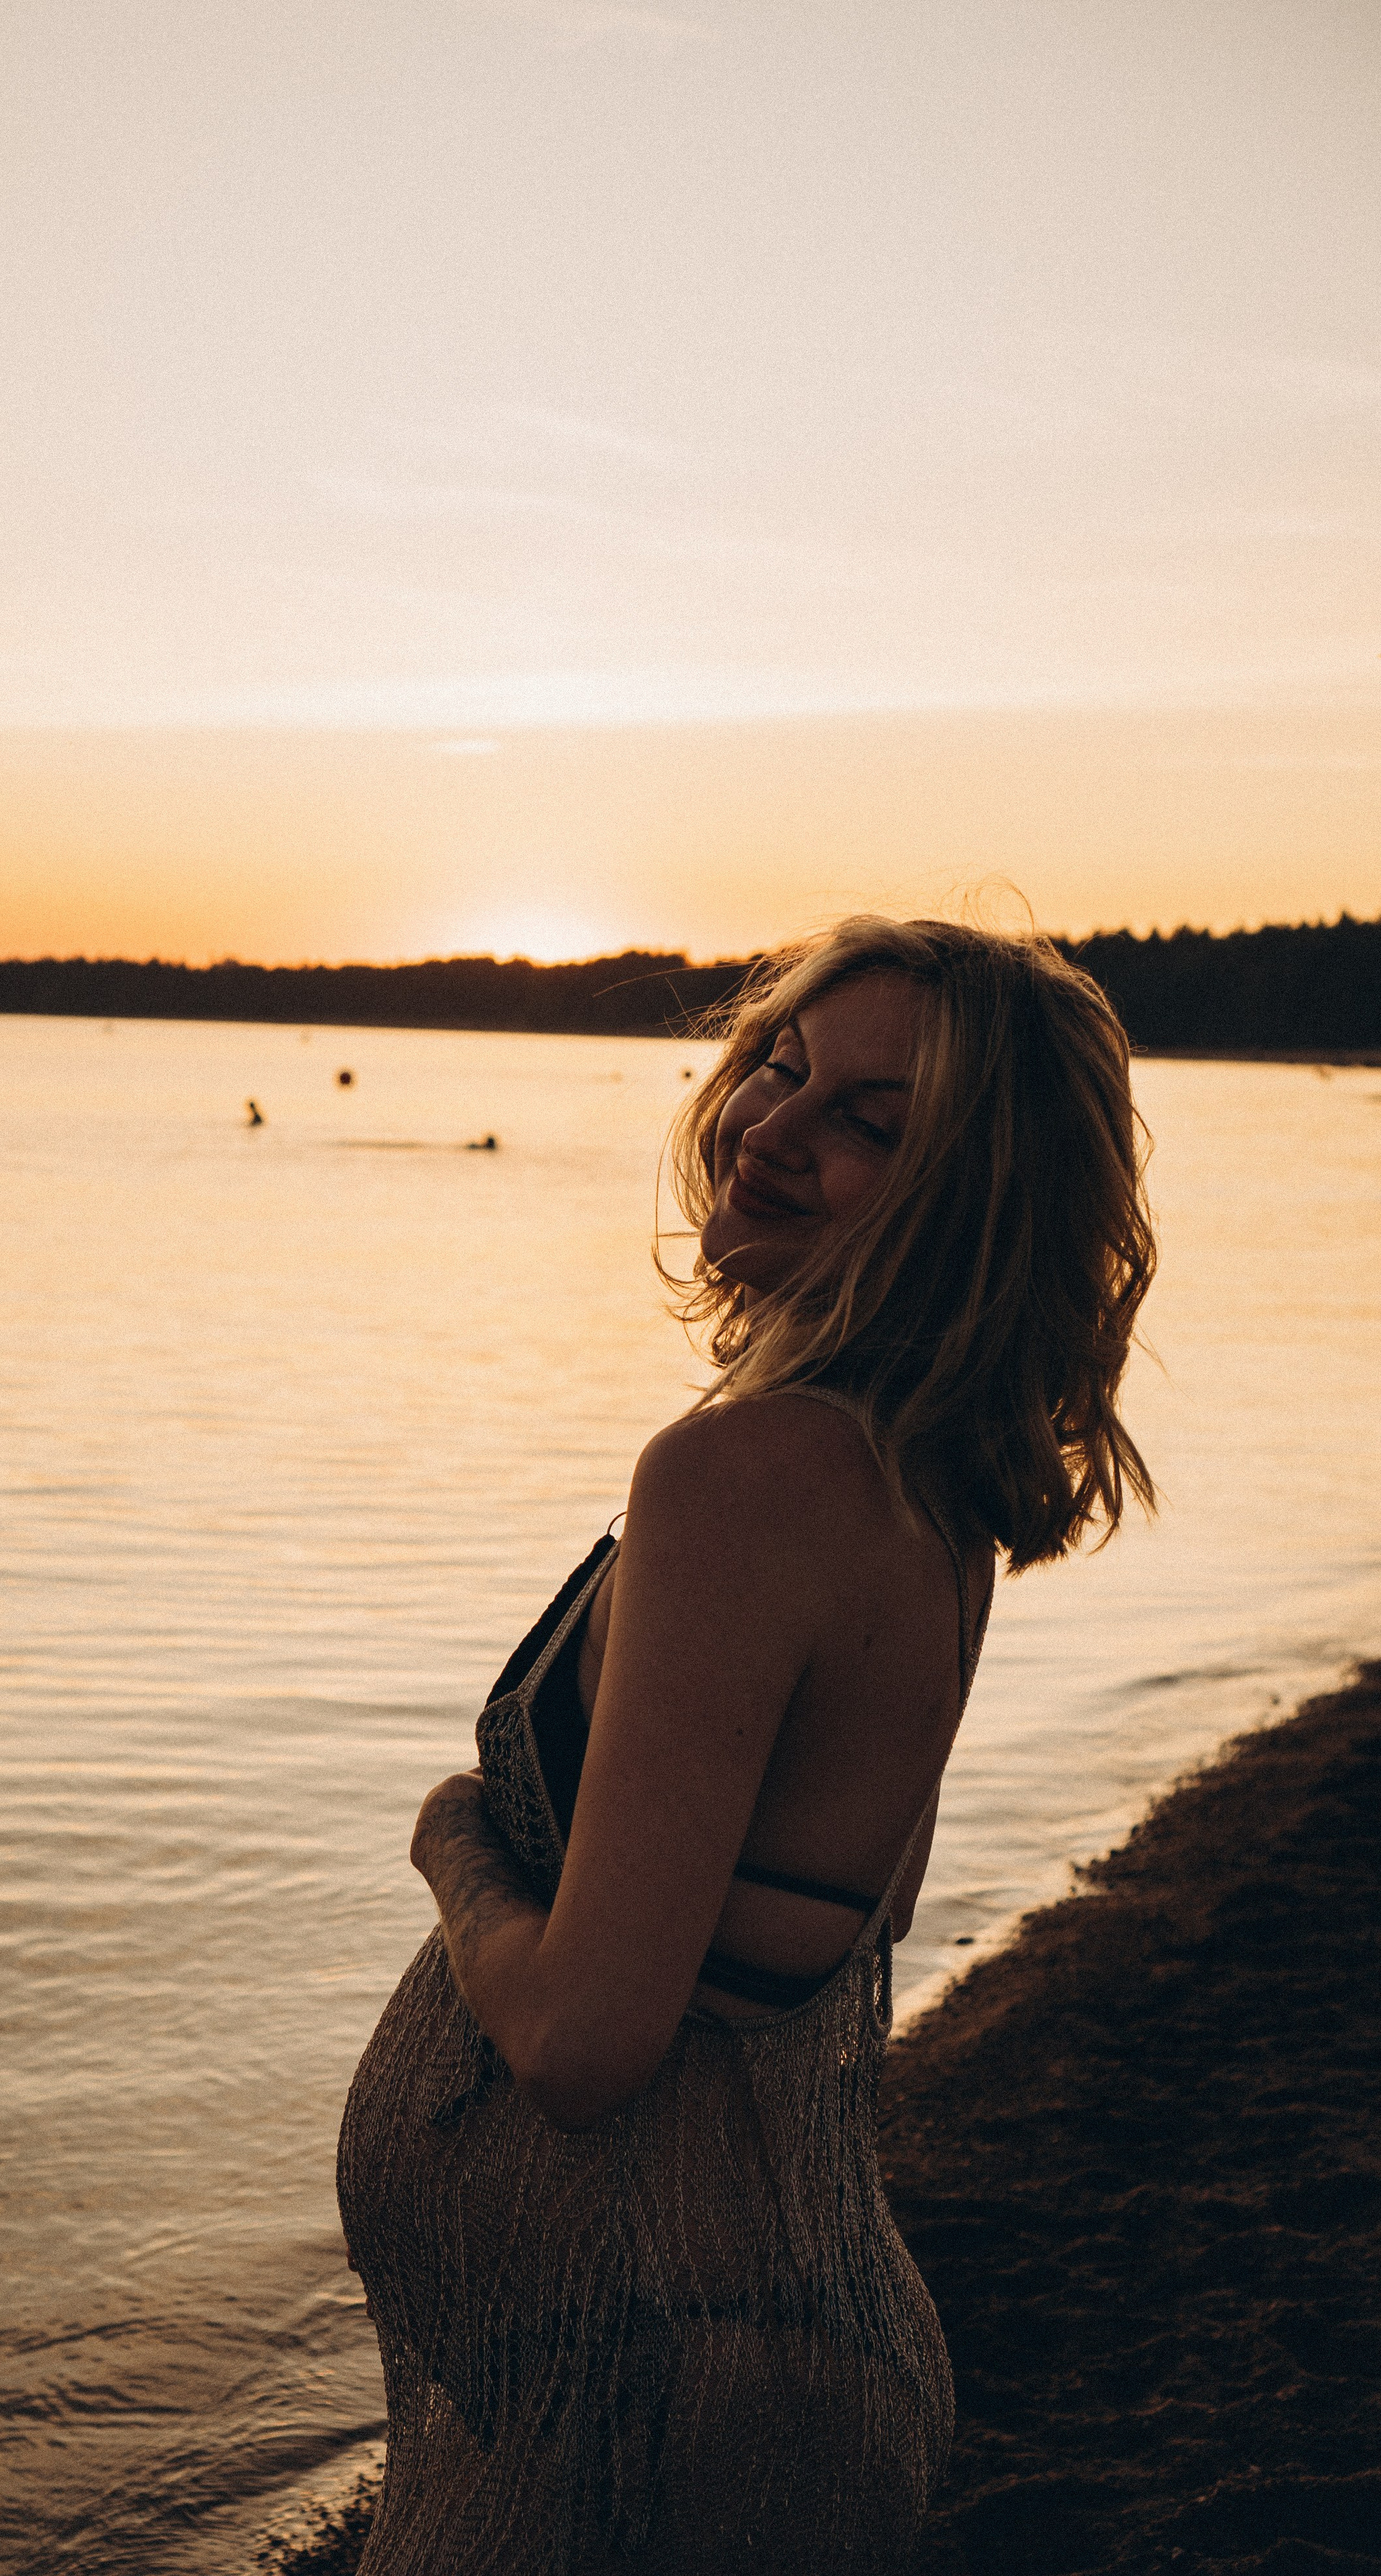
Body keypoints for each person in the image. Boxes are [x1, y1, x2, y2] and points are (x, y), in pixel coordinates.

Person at [338, 917, 1157, 2575]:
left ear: (972, 1203)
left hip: (661, 2406)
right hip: (732, 2359)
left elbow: (584, 2043)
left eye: (870, 1119)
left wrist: (452, 1846)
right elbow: (841, 1914)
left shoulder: (746, 1481)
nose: (774, 1127)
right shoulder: (921, 1489)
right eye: (777, 1067)